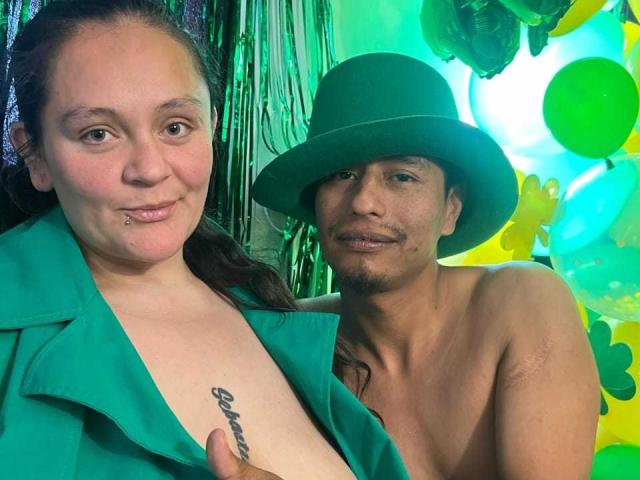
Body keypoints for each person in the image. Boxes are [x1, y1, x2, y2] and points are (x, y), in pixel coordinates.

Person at [0, 3, 411, 479]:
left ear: (212, 125)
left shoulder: (261, 305)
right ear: (34, 153)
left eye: (175, 127)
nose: (150, 169)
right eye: (98, 134)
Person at [253, 53, 601, 479]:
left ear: (451, 208)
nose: (363, 202)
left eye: (402, 176)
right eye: (341, 175)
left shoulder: (521, 304)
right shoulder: (288, 341)